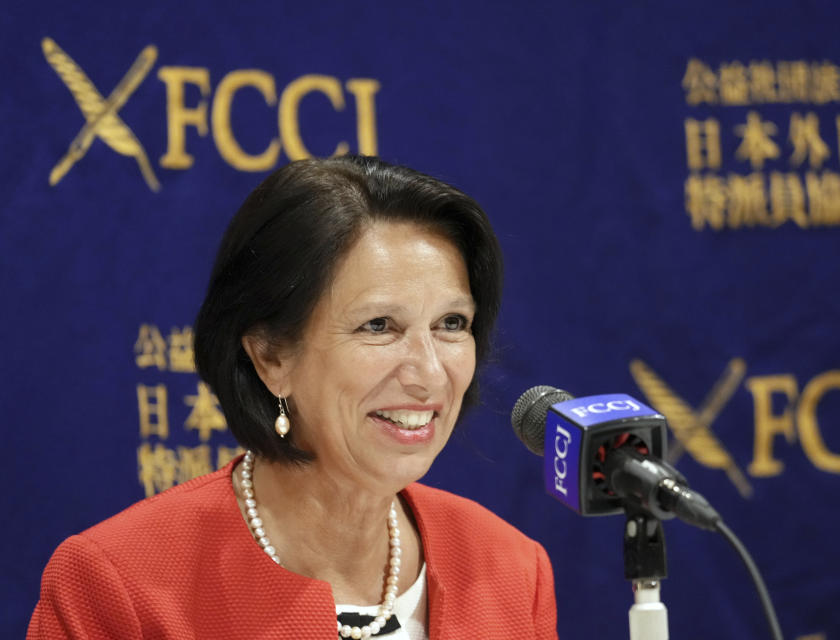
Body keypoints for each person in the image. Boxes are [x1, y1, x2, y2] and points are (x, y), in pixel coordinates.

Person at [28, 156, 557, 639]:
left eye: (451, 323)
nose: (429, 373)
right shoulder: (115, 584)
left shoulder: (512, 568)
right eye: (379, 325)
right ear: (271, 358)